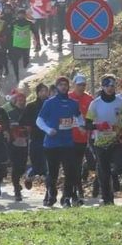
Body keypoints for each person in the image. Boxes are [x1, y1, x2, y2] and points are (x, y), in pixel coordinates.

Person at [36, 77, 84, 207]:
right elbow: (39, 120)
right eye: (61, 85)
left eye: (65, 85)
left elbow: (79, 116)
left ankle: (66, 197)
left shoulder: (73, 103)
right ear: (57, 87)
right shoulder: (49, 103)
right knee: (53, 173)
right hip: (51, 144)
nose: (63, 87)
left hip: (67, 143)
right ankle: (52, 193)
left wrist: (81, 126)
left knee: (70, 171)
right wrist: (47, 129)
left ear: (69, 87)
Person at [85, 75, 122, 205]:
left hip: (116, 141)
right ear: (103, 87)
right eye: (107, 86)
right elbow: (87, 124)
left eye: (112, 86)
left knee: (120, 166)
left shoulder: (121, 103)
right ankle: (107, 198)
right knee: (103, 172)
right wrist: (97, 126)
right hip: (100, 142)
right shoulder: (95, 103)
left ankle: (114, 176)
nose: (110, 88)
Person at [19, 83, 49, 196]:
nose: (44, 93)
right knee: (36, 164)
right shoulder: (31, 106)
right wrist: (29, 127)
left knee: (47, 166)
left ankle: (49, 192)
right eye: (42, 91)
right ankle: (29, 177)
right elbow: (22, 121)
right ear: (37, 93)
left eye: (46, 91)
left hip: (49, 138)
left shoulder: (51, 104)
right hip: (35, 138)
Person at [68, 74, 94, 204]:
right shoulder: (68, 98)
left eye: (83, 85)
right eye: (79, 85)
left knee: (79, 165)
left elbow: (94, 115)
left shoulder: (89, 99)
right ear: (74, 85)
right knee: (72, 166)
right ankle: (76, 190)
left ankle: (77, 188)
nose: (81, 87)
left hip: (84, 138)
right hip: (69, 138)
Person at [4, 91, 28, 201]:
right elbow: (5, 125)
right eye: (19, 100)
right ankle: (17, 190)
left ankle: (17, 182)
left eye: (23, 100)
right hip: (12, 143)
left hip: (24, 142)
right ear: (15, 101)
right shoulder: (10, 112)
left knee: (22, 166)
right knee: (15, 166)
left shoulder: (27, 112)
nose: (21, 102)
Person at [8, 8, 40, 81]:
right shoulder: (14, 23)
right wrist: (9, 46)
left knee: (26, 64)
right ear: (17, 15)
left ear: (25, 15)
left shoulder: (29, 23)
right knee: (15, 62)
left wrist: (38, 43)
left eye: (23, 14)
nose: (21, 15)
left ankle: (25, 79)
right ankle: (17, 77)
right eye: (20, 14)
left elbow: (36, 33)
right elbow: (8, 34)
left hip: (26, 46)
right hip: (16, 46)